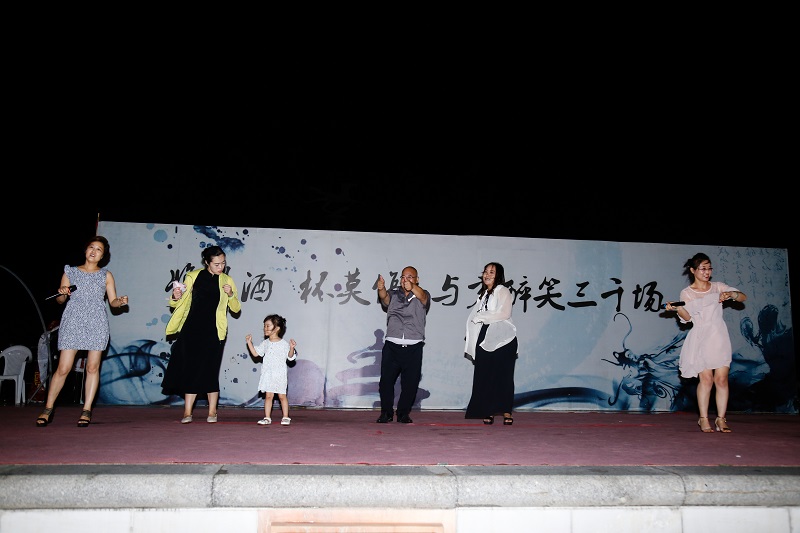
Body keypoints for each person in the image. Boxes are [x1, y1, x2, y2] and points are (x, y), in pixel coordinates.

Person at [36, 236, 129, 428]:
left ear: (103, 256)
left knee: (92, 367)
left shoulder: (106, 275)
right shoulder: (70, 271)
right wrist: (62, 293)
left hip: (96, 322)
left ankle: (86, 410)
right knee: (63, 368)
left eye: (99, 249)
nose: (94, 251)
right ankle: (48, 408)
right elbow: (60, 300)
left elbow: (112, 302)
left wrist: (119, 302)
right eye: (91, 247)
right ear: (86, 250)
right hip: (73, 321)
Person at [665, 252, 746, 433]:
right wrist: (678, 309)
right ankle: (703, 418)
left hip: (719, 335)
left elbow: (742, 297)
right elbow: (687, 318)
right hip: (701, 336)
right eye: (703, 268)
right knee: (706, 379)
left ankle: (721, 418)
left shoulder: (718, 287)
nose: (707, 272)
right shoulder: (687, 292)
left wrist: (731, 294)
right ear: (693, 270)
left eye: (709, 268)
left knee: (722, 379)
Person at [162, 245, 241, 424]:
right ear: (207, 262)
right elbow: (178, 304)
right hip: (192, 329)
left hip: (214, 331)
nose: (221, 267)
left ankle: (212, 411)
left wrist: (230, 295)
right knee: (191, 369)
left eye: (223, 263)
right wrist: (175, 296)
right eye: (216, 264)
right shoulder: (193, 276)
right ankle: (187, 412)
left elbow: (236, 308)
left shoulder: (227, 280)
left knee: (210, 370)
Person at [464, 262, 519, 426]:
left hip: (503, 338)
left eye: (491, 272)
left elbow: (504, 313)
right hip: (485, 336)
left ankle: (506, 411)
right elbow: (474, 317)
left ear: (498, 276)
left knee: (504, 376)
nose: (487, 275)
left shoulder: (502, 290)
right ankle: (487, 410)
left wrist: (482, 317)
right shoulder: (482, 295)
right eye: (485, 272)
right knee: (485, 375)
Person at [375, 266, 431, 424]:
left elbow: (423, 297)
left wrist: (412, 287)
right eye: (403, 277)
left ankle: (403, 413)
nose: (405, 280)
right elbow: (385, 298)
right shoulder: (394, 294)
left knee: (410, 384)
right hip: (392, 345)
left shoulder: (422, 294)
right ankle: (386, 413)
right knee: (386, 382)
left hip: (414, 347)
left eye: (410, 277)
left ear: (417, 279)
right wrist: (381, 288)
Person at [245, 314, 297, 426]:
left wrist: (292, 348)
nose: (265, 328)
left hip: (280, 375)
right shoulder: (265, 343)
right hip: (268, 374)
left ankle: (286, 417)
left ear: (277, 328)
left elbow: (290, 357)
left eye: (268, 326)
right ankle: (267, 418)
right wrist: (249, 343)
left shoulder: (284, 344)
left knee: (282, 396)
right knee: (268, 396)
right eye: (264, 326)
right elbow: (256, 353)